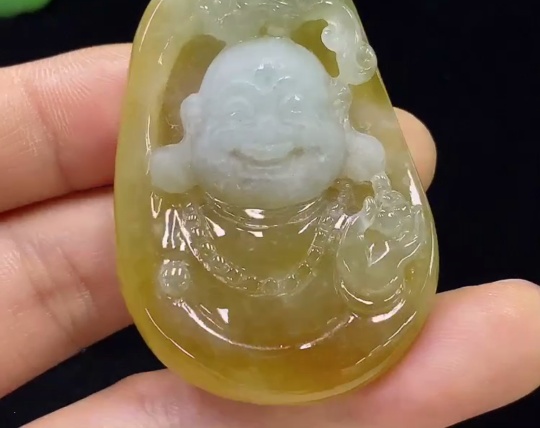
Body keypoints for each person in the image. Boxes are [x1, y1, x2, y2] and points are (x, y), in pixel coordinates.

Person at [0, 44, 538, 428]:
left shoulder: (361, 221)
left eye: (294, 111)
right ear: (195, 124)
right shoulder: (180, 233)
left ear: (339, 121)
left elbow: (378, 286)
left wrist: (379, 256)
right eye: (238, 112)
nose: (267, 135)